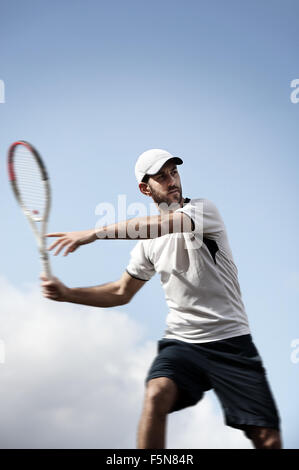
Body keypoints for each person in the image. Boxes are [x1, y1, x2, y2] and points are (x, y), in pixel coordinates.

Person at [41, 148, 282, 449]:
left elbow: (159, 225)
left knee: (269, 441)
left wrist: (93, 233)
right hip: (182, 343)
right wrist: (67, 294)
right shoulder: (148, 245)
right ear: (145, 188)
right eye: (161, 176)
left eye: (174, 172)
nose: (172, 181)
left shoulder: (204, 211)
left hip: (231, 341)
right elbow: (120, 292)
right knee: (156, 393)